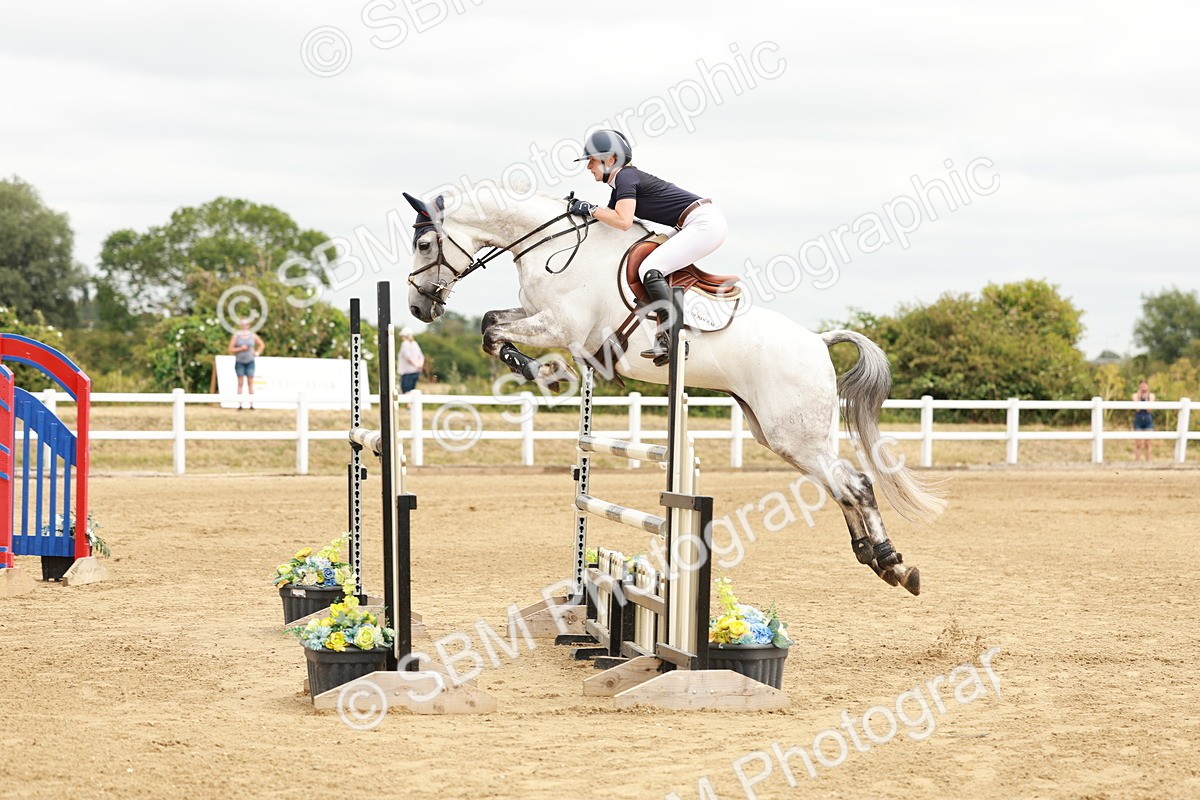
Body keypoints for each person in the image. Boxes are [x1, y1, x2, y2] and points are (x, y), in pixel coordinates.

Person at [568, 129, 728, 365]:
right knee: (648, 259)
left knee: (649, 268)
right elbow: (610, 225)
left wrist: (590, 208)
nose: (588, 166)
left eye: (591, 160)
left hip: (704, 223)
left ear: (610, 159)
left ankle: (674, 338)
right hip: (692, 222)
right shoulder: (620, 184)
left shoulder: (625, 177)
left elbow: (623, 221)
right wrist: (580, 213)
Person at [227, 318, 265, 410]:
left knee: (250, 383)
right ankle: (240, 404)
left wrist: (257, 353)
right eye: (243, 324)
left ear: (249, 325)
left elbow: (261, 344)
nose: (244, 326)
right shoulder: (236, 336)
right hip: (239, 361)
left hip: (250, 361)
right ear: (240, 325)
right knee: (240, 383)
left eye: (246, 324)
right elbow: (230, 349)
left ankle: (251, 404)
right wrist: (240, 348)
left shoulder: (252, 335)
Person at [1132, 379, 1155, 462]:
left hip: (1148, 420)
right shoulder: (1135, 395)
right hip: (1138, 420)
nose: (1143, 387)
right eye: (1142, 386)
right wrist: (1139, 397)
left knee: (1147, 444)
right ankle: (1137, 461)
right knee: (1138, 444)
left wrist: (1146, 399)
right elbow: (1137, 409)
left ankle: (1148, 461)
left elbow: (1149, 410)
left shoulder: (1151, 396)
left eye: (1145, 385)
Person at [398, 327, 425, 393]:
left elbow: (408, 358)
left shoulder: (405, 344)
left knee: (406, 392)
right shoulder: (415, 344)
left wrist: (416, 365)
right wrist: (419, 366)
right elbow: (421, 357)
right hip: (415, 371)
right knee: (412, 392)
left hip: (407, 372)